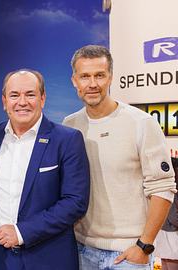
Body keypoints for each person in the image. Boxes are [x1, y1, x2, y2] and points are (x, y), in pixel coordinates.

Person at [63, 45, 177, 270]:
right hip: (81, 249)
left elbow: (162, 189)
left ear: (111, 78)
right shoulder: (70, 125)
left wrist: (144, 246)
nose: (92, 83)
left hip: (128, 254)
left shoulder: (142, 123)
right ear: (74, 80)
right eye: (85, 76)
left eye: (100, 75)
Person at [0, 69, 90, 270]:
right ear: (5, 101)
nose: (22, 102)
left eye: (30, 94)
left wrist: (21, 232)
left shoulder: (67, 139)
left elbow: (75, 202)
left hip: (48, 258)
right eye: (14, 95)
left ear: (42, 98)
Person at [155, 158, 178, 270]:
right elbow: (174, 216)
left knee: (166, 264)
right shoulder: (172, 188)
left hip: (163, 232)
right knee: (171, 264)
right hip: (172, 234)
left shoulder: (161, 187)